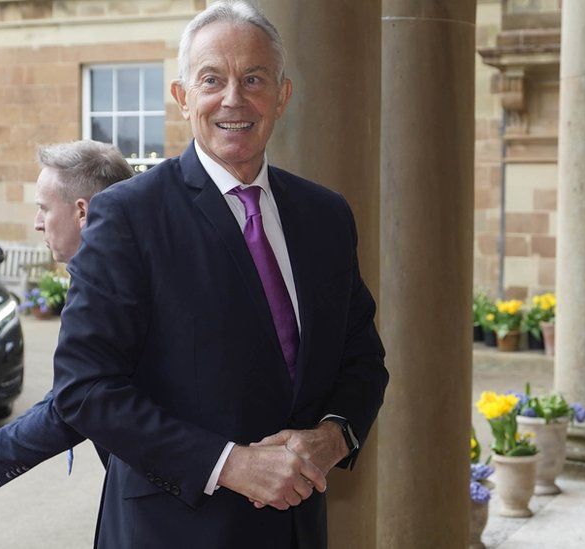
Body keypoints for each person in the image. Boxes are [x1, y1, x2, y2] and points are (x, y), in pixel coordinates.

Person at [50, 2, 389, 547]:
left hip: (297, 528)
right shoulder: (128, 215)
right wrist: (229, 463)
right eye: (212, 80)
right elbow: (85, 389)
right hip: (172, 528)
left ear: (282, 96)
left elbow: (362, 359)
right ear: (183, 97)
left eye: (254, 79)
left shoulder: (325, 215)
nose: (234, 98)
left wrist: (335, 437)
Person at [0, 140, 133, 494]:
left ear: (83, 212)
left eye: (43, 209)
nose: (36, 224)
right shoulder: (128, 266)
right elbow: (75, 391)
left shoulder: (106, 283)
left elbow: (77, 404)